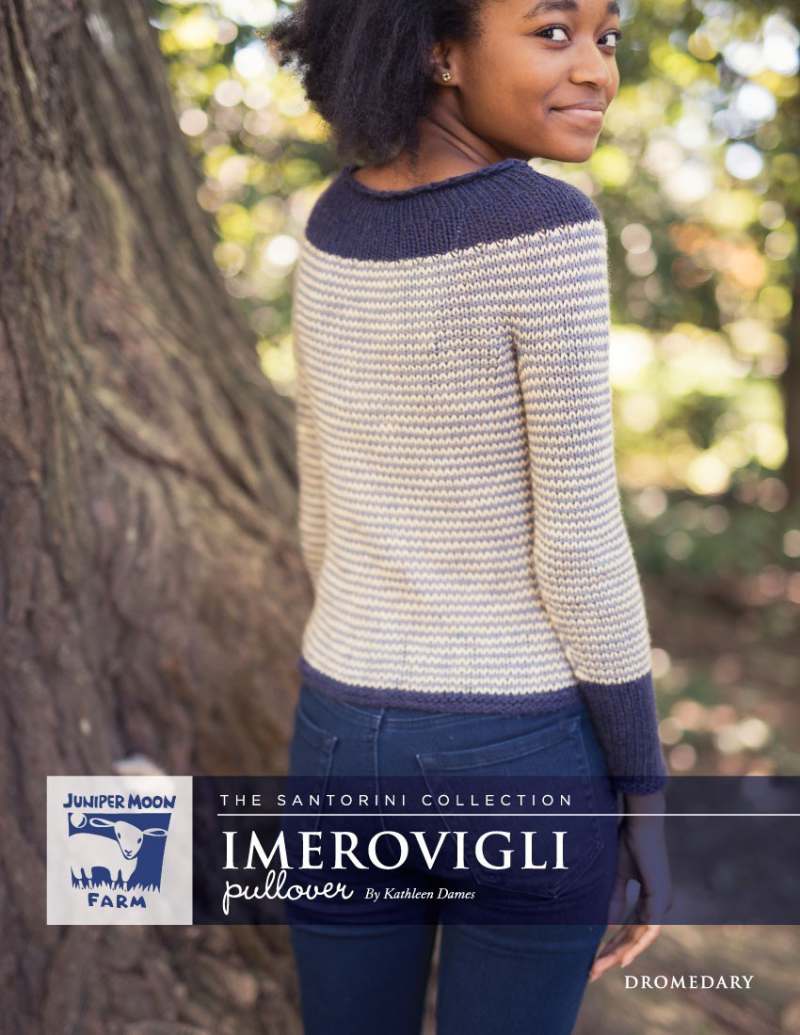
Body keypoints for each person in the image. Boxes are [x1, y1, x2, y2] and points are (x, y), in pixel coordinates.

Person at [266, 0, 673, 1031]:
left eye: (605, 38)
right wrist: (644, 789)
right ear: (439, 53)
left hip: (338, 729)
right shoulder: (545, 229)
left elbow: (320, 503)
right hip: (516, 750)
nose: (594, 70)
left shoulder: (331, 220)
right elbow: (578, 544)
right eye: (552, 32)